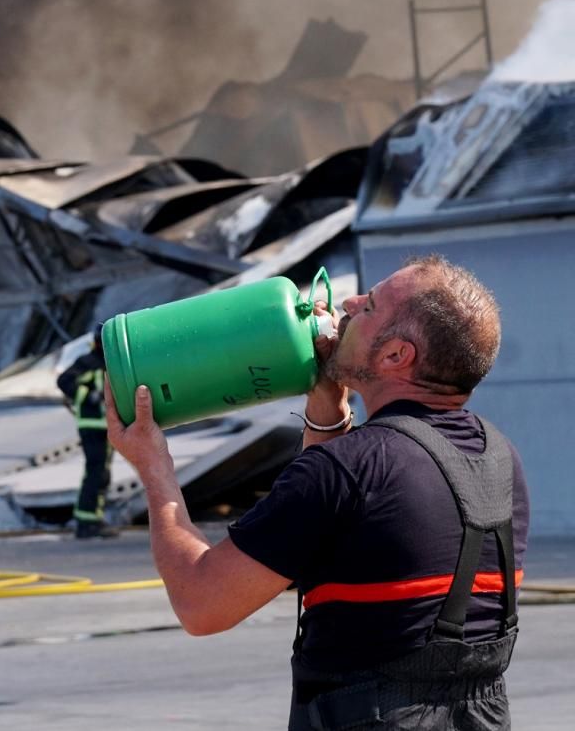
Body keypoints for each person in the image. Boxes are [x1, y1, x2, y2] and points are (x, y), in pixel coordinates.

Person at [107, 256, 529, 730]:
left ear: (395, 356)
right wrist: (328, 407)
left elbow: (201, 604)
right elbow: (350, 526)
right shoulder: (499, 458)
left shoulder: (346, 471)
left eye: (368, 307)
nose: (347, 303)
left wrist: (154, 466)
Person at [57, 328, 118, 539]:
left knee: (101, 472)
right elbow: (64, 381)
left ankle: (93, 519)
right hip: (92, 423)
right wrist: (87, 395)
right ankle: (85, 522)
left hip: (106, 425)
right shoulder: (88, 361)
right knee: (95, 472)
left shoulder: (111, 364)